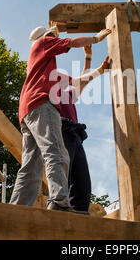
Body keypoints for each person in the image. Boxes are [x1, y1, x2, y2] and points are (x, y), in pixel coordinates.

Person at [9, 21, 111, 213]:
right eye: (52, 37)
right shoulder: (43, 44)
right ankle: (58, 202)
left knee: (32, 165)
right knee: (56, 153)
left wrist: (92, 63)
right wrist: (96, 38)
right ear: (47, 37)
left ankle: (18, 209)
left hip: (28, 111)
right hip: (42, 107)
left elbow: (79, 82)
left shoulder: (48, 74)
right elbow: (70, 42)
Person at [59, 44, 109, 214]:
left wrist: (88, 57)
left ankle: (79, 213)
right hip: (62, 131)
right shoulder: (49, 95)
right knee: (62, 176)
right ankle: (58, 209)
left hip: (76, 136)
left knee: (82, 182)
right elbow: (81, 79)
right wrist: (100, 69)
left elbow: (84, 79)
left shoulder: (68, 95)